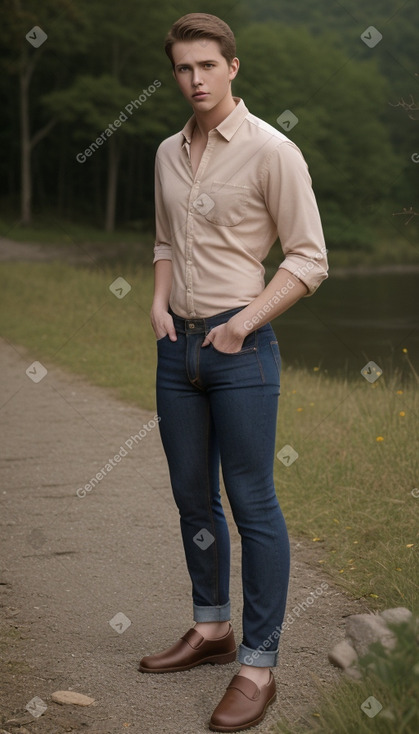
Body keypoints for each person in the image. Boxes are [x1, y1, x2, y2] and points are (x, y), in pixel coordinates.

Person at [139, 12, 328, 732]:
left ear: (232, 68)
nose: (194, 79)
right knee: (193, 498)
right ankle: (211, 629)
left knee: (251, 503)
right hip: (174, 348)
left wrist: (243, 322)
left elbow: (308, 258)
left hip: (240, 351)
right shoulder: (165, 152)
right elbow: (162, 236)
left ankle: (257, 666)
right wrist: (158, 305)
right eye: (183, 67)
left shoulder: (270, 151)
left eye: (206, 66)